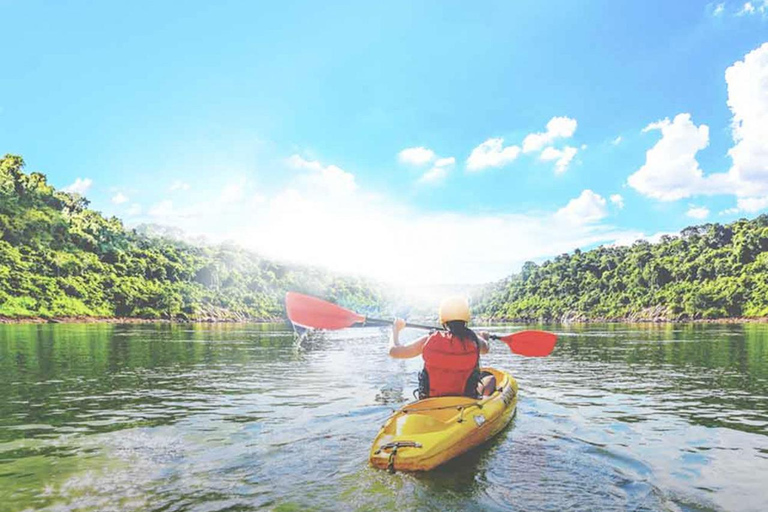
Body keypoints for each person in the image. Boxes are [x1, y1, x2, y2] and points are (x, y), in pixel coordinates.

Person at [389, 296, 497, 399]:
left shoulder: (428, 340)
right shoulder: (474, 340)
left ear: (443, 319)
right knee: (490, 378)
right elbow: (486, 349)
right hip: (465, 399)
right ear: (466, 318)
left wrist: (395, 330)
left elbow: (393, 351)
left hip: (430, 399)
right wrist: (484, 337)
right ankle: (485, 401)